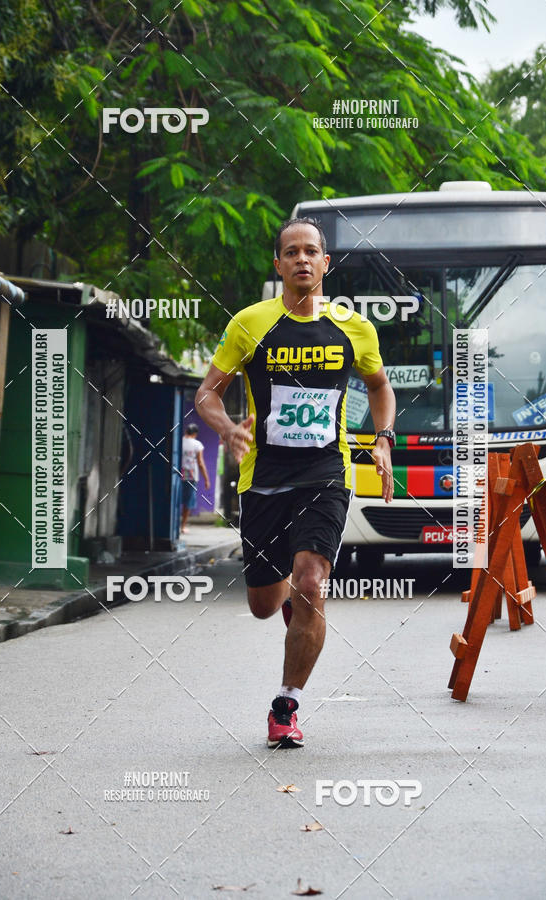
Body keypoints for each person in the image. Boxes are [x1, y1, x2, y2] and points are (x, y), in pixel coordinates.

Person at [195, 217, 395, 748]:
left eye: (312, 251)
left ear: (326, 263)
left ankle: (286, 706)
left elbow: (379, 386)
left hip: (326, 471)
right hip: (263, 478)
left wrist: (383, 438)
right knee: (264, 604)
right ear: (278, 264)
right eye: (292, 252)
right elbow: (206, 394)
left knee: (311, 582)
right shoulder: (249, 324)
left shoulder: (355, 328)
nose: (302, 259)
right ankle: (283, 600)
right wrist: (227, 429)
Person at [181, 423, 211, 534]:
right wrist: (207, 479)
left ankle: (174, 526)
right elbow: (200, 463)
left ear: (186, 432)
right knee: (188, 502)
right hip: (191, 476)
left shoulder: (180, 442)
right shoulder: (197, 444)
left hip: (178, 474)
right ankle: (183, 526)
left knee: (175, 500)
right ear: (195, 434)